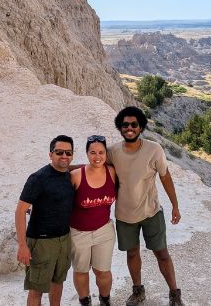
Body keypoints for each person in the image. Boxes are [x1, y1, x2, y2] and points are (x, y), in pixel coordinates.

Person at [109, 106, 184, 306]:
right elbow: (95, 169)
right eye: (125, 125)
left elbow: (165, 176)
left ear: (141, 127)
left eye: (134, 124)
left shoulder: (154, 149)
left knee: (161, 253)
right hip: (125, 215)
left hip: (151, 212)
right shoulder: (113, 151)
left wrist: (175, 205)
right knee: (132, 252)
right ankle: (138, 290)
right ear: (120, 127)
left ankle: (174, 294)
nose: (129, 128)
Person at [15, 135, 75, 306]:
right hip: (41, 242)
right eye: (59, 152)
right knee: (37, 289)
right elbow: (20, 211)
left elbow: (85, 168)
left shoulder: (69, 174)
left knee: (58, 282)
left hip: (64, 239)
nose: (64, 156)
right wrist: (22, 245)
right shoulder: (38, 178)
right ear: (50, 154)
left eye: (68, 152)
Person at [69, 135, 117, 306]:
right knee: (81, 270)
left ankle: (105, 300)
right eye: (93, 152)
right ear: (87, 153)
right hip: (78, 232)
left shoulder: (112, 172)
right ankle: (85, 301)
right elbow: (59, 197)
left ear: (106, 153)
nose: (97, 157)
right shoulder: (76, 176)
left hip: (104, 230)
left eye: (101, 152)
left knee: (102, 271)